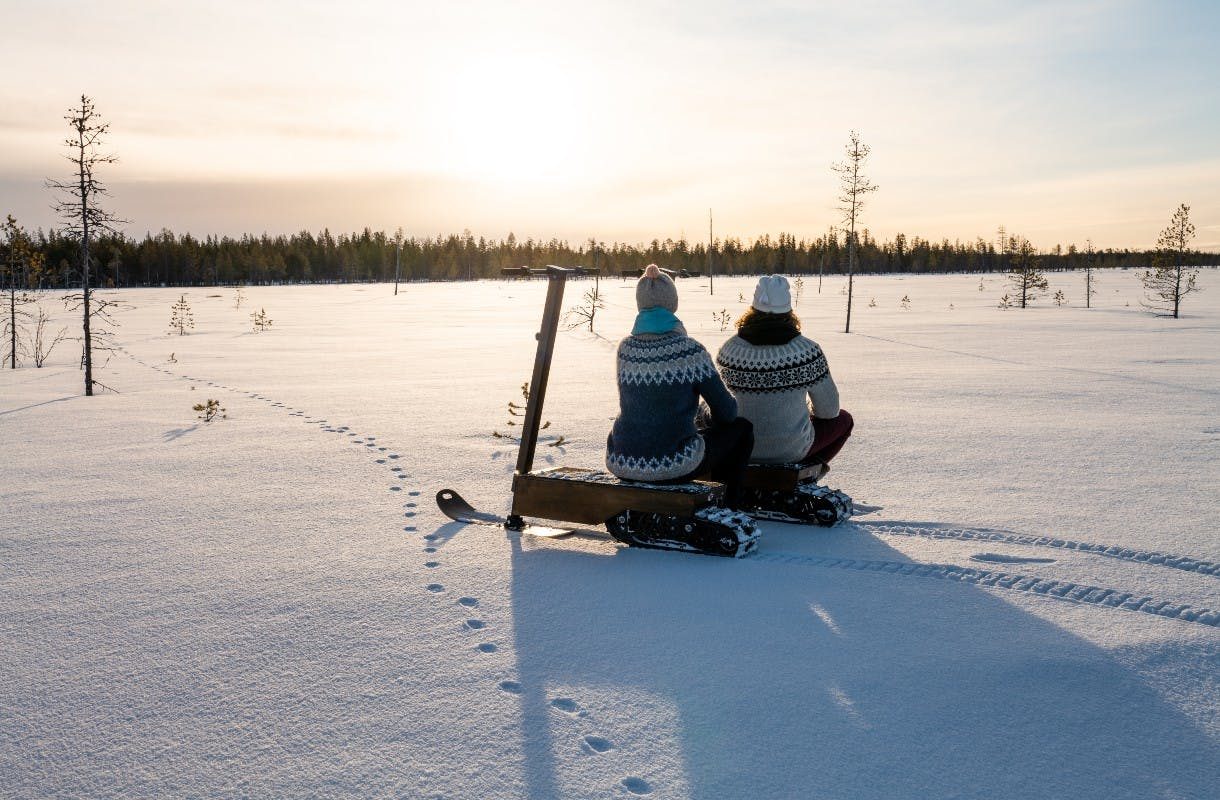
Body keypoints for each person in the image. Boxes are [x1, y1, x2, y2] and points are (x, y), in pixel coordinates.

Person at [606, 265, 754, 508]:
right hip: (672, 464)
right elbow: (727, 413)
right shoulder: (690, 351)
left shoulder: (625, 349)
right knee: (741, 429)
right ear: (672, 303)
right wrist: (705, 416)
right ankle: (729, 505)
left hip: (623, 460)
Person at [715, 275, 852, 475]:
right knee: (844, 420)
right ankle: (800, 477)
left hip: (737, 448)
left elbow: (717, 405)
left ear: (752, 309)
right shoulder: (807, 352)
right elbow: (829, 411)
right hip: (792, 451)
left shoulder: (729, 351)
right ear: (788, 310)